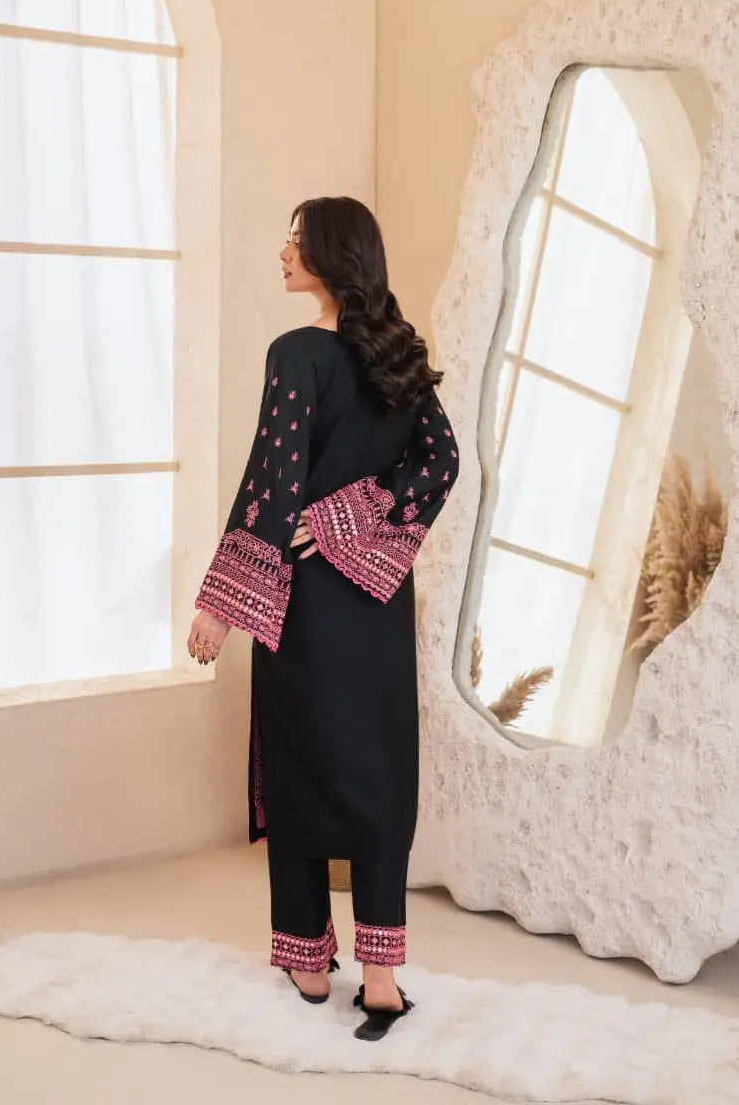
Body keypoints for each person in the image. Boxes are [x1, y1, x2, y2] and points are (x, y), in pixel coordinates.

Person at [188, 196, 458, 1041]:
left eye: (297, 243)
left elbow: (271, 485)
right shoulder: (399, 357)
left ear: (332, 258)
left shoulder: (298, 352)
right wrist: (358, 518)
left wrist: (218, 606)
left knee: (301, 767)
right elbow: (440, 463)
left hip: (305, 606)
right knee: (377, 772)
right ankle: (380, 977)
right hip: (375, 606)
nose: (282, 253)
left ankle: (308, 960)